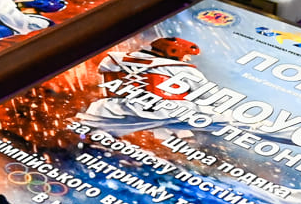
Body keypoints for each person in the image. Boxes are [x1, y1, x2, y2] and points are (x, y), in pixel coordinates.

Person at [76, 36, 215, 139]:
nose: (188, 59)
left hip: (110, 108)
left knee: (86, 134)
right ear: (173, 51)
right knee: (222, 116)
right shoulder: (182, 69)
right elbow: (211, 96)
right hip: (157, 112)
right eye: (187, 55)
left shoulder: (112, 59)